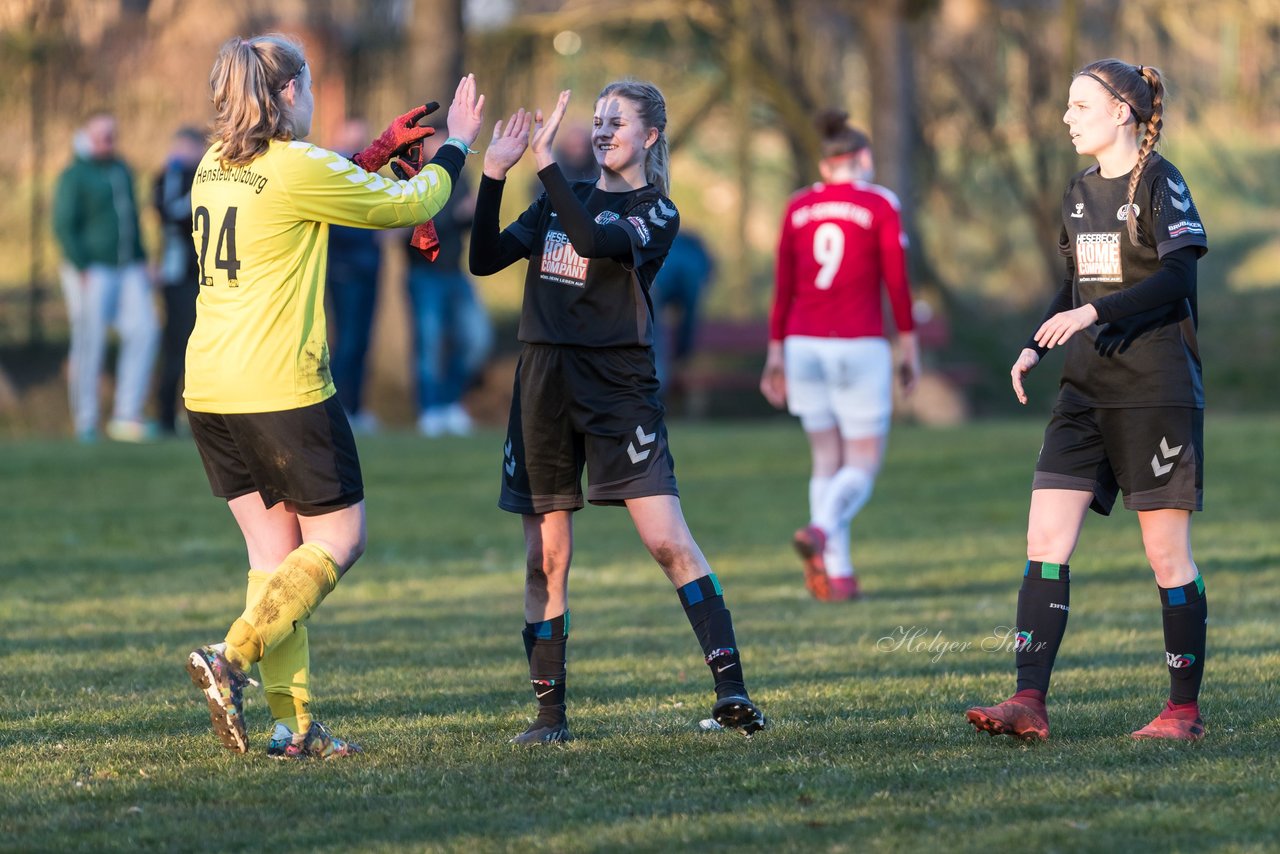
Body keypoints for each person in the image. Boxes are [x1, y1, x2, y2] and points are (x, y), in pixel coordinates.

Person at [182, 33, 484, 758]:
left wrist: (375, 151)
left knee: (273, 556)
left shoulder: (213, 164)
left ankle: (296, 726)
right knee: (339, 540)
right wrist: (458, 146)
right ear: (290, 93)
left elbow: (309, 192)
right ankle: (231, 658)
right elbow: (408, 203)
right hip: (279, 385)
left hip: (210, 388)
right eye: (310, 85)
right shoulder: (295, 165)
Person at [469, 84, 767, 743]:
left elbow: (595, 241)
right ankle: (549, 719)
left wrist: (545, 162)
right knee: (545, 558)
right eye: (597, 120)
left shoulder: (656, 212)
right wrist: (494, 174)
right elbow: (483, 258)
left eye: (618, 122)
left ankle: (733, 693)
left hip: (617, 385)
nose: (603, 131)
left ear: (651, 136)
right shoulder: (557, 196)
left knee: (666, 540)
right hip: (542, 380)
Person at [965, 60, 1209, 742]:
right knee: (1044, 540)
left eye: (1080, 105)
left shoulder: (1159, 181)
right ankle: (1027, 700)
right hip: (1083, 391)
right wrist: (1035, 344)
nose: (1067, 117)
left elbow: (1178, 277)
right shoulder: (1076, 192)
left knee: (1166, 557)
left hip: (1153, 392)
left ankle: (1181, 712)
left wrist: (1093, 317)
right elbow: (1076, 286)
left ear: (1123, 113)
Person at [760, 110, 919, 602]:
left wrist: (775, 353)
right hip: (859, 343)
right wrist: (908, 346)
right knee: (863, 463)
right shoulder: (879, 203)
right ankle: (823, 530)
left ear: (826, 164)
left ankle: (838, 574)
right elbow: (896, 281)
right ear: (863, 159)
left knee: (826, 459)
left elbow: (783, 286)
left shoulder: (797, 206)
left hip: (803, 342)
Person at [53, 111, 160, 443]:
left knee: (145, 330)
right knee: (90, 341)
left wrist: (142, 258)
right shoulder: (75, 175)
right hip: (93, 269)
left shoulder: (121, 169)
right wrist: (80, 264)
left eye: (111, 134)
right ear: (86, 136)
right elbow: (63, 225)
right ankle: (86, 420)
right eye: (101, 135)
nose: (107, 141)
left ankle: (127, 415)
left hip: (127, 267)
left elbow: (131, 220)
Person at [407, 130, 493, 437]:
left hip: (456, 271)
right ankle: (430, 410)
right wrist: (453, 215)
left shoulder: (461, 175)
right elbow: (413, 225)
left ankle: (450, 402)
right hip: (424, 273)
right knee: (429, 344)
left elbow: (468, 217)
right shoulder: (411, 175)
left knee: (476, 338)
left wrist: (464, 215)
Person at [327, 117, 386, 433]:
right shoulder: (330, 169)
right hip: (344, 269)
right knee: (347, 340)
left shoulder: (369, 172)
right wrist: (372, 232)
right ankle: (337, 410)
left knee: (363, 340)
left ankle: (356, 407)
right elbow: (334, 224)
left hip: (370, 268)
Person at [151, 126, 206, 436]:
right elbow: (170, 213)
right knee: (176, 347)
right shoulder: (167, 177)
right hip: (177, 277)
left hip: (207, 275)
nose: (183, 153)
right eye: (179, 146)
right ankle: (165, 418)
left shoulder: (210, 176)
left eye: (189, 147)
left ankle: (204, 418)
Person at [651, 228, 714, 393]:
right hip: (653, 287)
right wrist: (682, 353)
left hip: (650, 285)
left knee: (653, 335)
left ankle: (655, 386)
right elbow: (689, 318)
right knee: (655, 336)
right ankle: (656, 389)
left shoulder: (680, 248)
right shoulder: (697, 262)